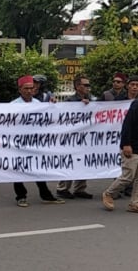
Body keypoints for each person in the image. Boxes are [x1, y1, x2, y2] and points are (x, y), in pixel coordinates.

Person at [10, 75, 65, 207]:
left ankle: (45, 195)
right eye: (26, 88)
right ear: (20, 90)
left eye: (31, 88)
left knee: (38, 169)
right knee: (19, 171)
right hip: (19, 144)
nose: (29, 91)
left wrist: (52, 106)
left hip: (35, 143)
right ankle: (21, 196)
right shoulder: (12, 106)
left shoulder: (38, 105)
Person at [56, 73, 94, 199]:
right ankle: (63, 188)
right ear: (78, 86)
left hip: (86, 137)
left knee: (83, 162)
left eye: (89, 85)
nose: (88, 87)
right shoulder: (69, 101)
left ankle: (80, 188)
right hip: (71, 138)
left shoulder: (93, 100)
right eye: (85, 85)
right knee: (69, 162)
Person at [102, 95, 138, 213]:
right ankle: (109, 193)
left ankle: (135, 203)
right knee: (128, 176)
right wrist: (126, 144)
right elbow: (127, 125)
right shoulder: (136, 105)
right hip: (132, 147)